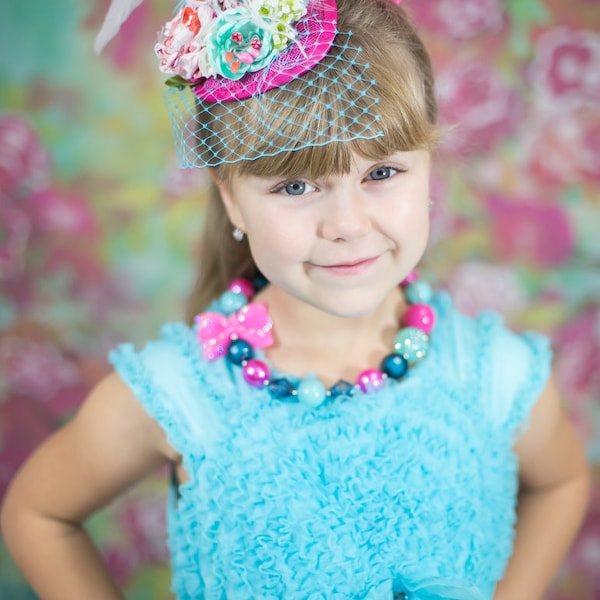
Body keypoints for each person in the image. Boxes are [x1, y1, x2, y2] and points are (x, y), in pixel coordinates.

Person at [0, 0, 590, 598]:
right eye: (296, 185)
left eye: (382, 173)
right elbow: (39, 514)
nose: (347, 224)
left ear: (429, 166)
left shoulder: (496, 377)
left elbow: (562, 481)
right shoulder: (180, 394)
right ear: (231, 199)